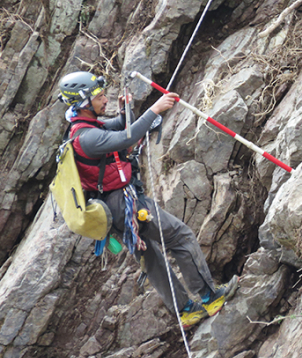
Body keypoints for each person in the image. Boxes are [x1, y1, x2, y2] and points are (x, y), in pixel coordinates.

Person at [57, 71, 238, 330]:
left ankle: (186, 311)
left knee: (151, 259)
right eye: (98, 97)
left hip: (113, 210)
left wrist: (125, 112)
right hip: (126, 205)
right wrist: (154, 109)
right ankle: (210, 297)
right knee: (180, 236)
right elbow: (126, 138)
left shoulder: (81, 129)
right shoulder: (87, 137)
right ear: (84, 103)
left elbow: (120, 127)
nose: (104, 99)